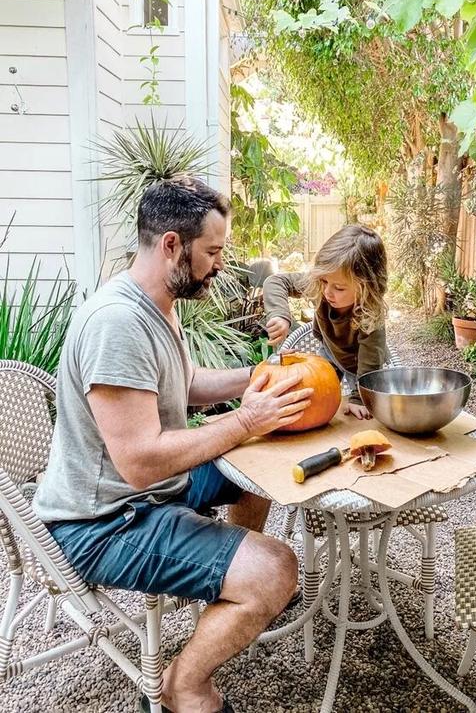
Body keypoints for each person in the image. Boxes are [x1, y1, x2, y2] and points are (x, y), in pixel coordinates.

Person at [33, 176, 313, 713]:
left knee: (255, 463)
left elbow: (182, 386)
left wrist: (252, 378)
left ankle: (222, 578)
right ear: (171, 246)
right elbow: (140, 463)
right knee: (278, 569)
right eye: (211, 251)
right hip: (104, 522)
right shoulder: (117, 324)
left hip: (148, 491)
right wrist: (245, 422)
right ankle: (183, 686)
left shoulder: (158, 302)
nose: (218, 265)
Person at [263, 224, 388, 419]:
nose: (328, 292)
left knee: (362, 415)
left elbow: (370, 367)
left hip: (364, 367)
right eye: (324, 281)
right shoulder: (321, 288)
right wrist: (280, 315)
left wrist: (358, 398)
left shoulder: (371, 317)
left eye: (339, 288)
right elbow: (275, 282)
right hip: (330, 352)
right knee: (317, 400)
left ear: (366, 288)